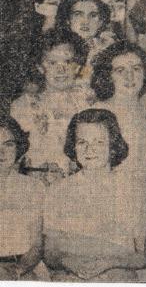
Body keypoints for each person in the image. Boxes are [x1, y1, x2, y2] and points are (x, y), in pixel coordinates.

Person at [44, 109, 146, 281]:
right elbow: (49, 253)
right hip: (70, 281)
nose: (89, 149)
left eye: (99, 142)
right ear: (73, 147)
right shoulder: (57, 190)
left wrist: (110, 263)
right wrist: (68, 262)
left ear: (113, 146)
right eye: (82, 142)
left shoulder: (133, 191)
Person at [10, 29, 92, 181]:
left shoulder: (87, 105)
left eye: (68, 62)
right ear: (40, 67)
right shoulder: (23, 105)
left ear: (78, 66)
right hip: (35, 187)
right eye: (52, 62)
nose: (61, 70)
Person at [91, 41, 146, 173]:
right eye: (120, 70)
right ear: (108, 76)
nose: (130, 76)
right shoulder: (97, 113)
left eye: (136, 69)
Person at [0, 117, 45, 280]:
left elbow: (37, 245)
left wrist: (17, 271)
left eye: (8, 144)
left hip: (23, 269)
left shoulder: (33, 187)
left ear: (18, 147)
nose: (1, 152)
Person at [54, 0, 119, 69]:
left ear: (101, 22)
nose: (86, 22)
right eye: (78, 14)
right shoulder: (58, 49)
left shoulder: (108, 47)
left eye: (93, 15)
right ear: (68, 20)